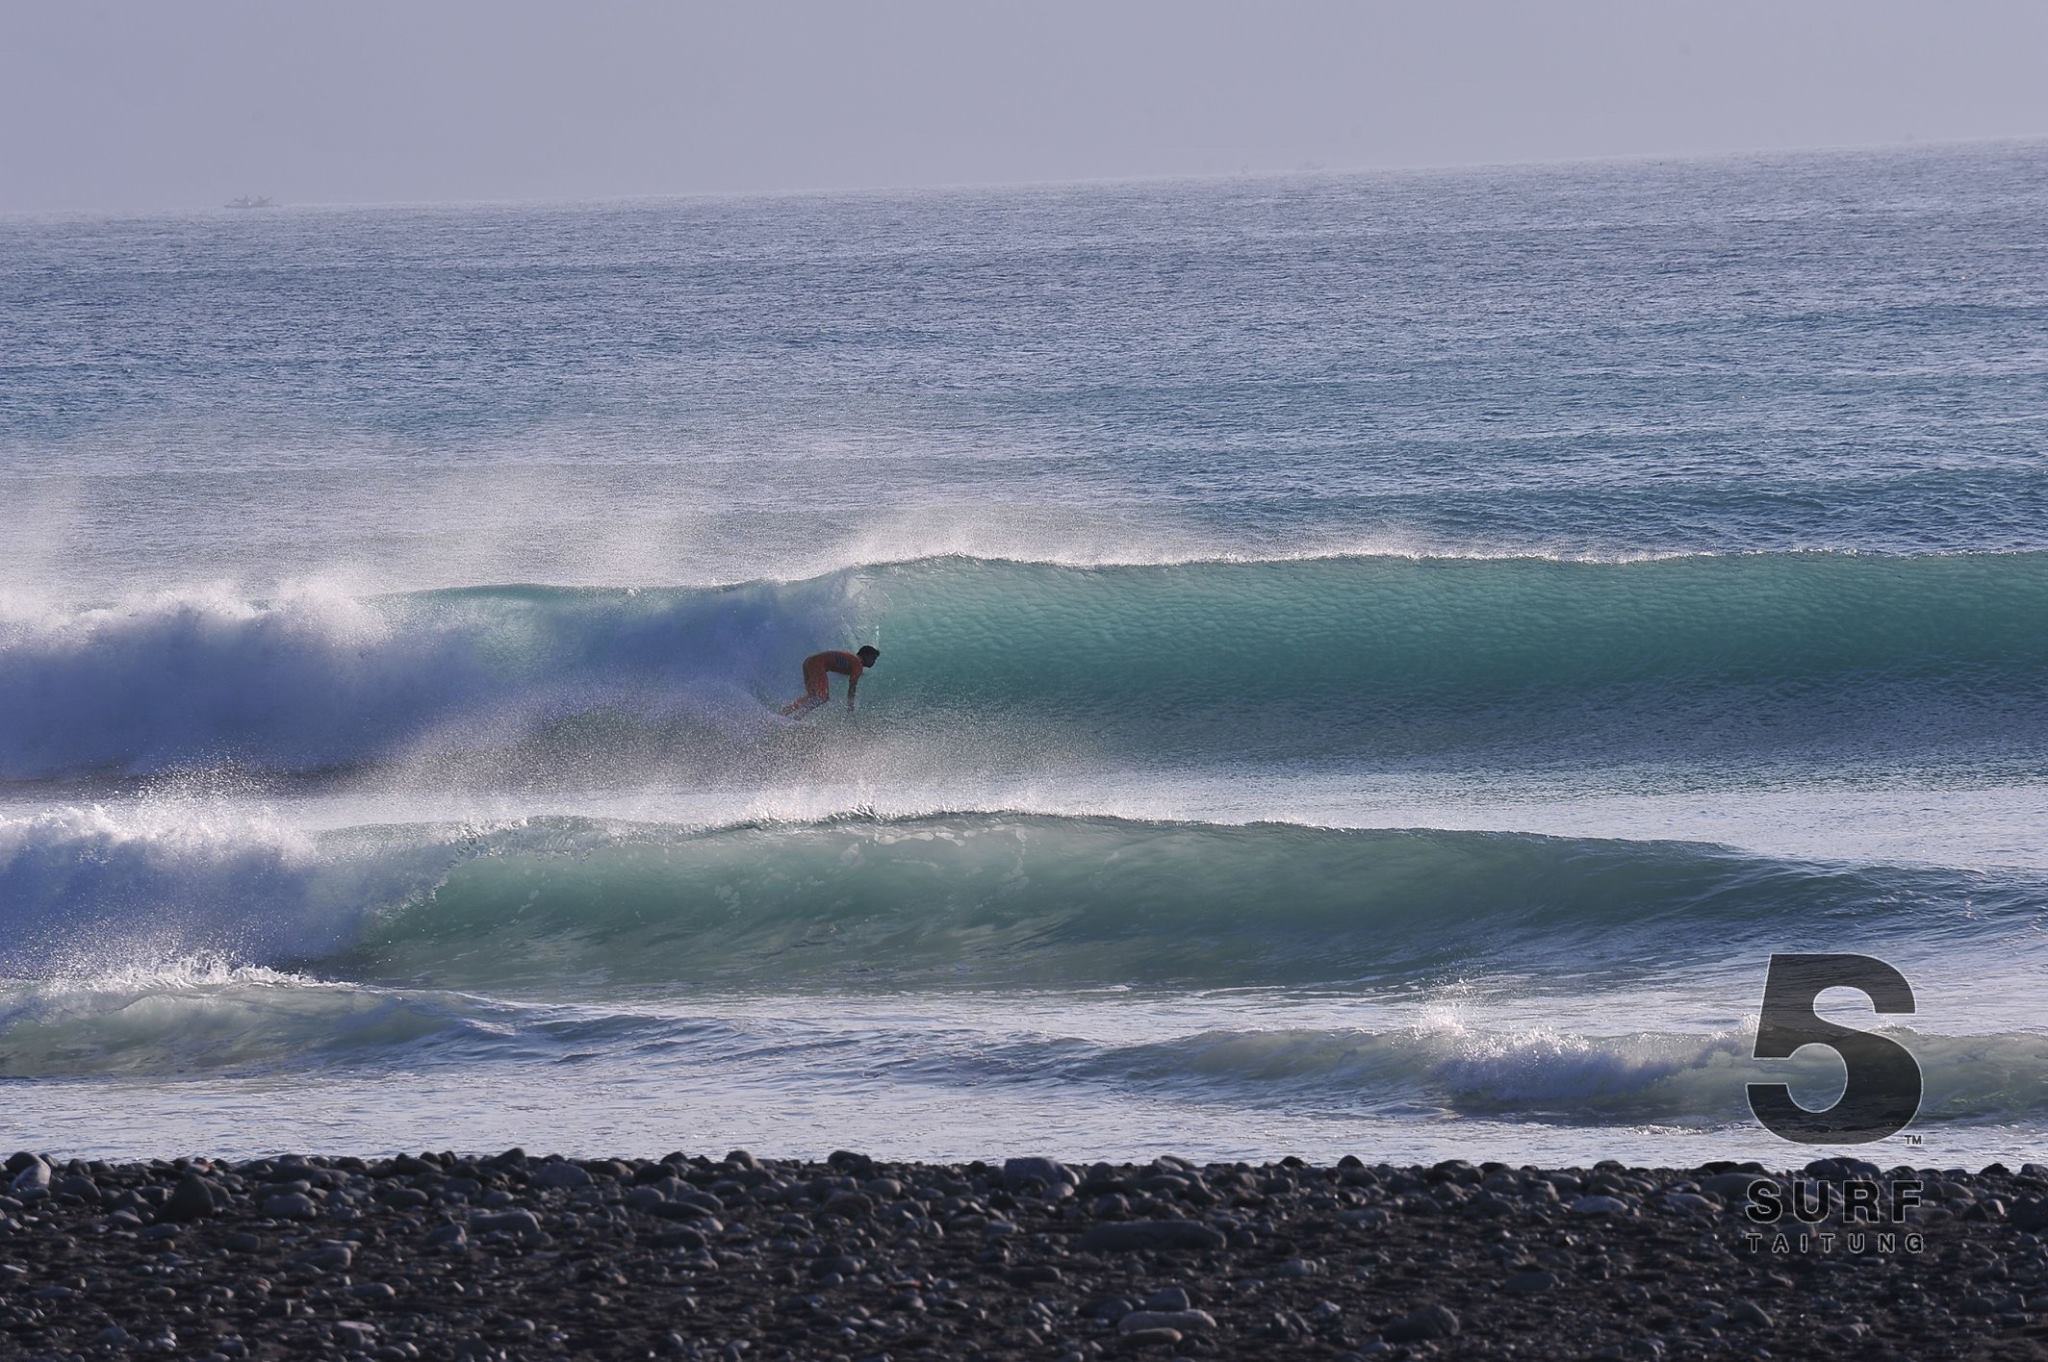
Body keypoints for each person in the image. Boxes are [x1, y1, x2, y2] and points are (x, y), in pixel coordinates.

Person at [780, 645, 880, 717]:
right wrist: (850, 705)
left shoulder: (852, 660)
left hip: (808, 662)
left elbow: (837, 663)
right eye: (873, 658)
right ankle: (797, 717)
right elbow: (852, 688)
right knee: (823, 697)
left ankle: (785, 712)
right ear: (866, 655)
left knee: (813, 696)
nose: (874, 662)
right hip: (817, 664)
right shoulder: (858, 665)